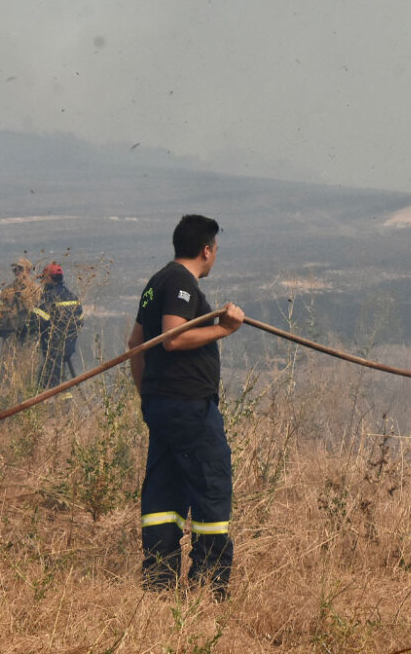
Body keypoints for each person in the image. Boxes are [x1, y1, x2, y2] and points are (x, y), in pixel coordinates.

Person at [127, 214, 244, 600]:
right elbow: (172, 337)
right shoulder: (180, 281)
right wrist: (224, 329)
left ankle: (159, 582)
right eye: (215, 251)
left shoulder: (155, 282)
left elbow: (135, 346)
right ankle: (210, 587)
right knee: (211, 483)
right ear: (206, 250)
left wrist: (149, 398)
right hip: (189, 408)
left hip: (163, 407)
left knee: (165, 492)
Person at [29, 263, 83, 388]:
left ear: (49, 278)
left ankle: (56, 406)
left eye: (43, 278)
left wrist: (20, 331)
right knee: (60, 380)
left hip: (52, 349)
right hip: (68, 347)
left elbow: (35, 323)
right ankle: (63, 403)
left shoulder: (48, 298)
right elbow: (79, 321)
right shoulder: (73, 297)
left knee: (45, 383)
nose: (42, 282)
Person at [0, 257, 42, 341]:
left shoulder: (36, 290)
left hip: (30, 336)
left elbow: (41, 311)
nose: (17, 271)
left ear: (28, 271)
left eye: (20, 269)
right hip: (11, 335)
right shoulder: (7, 290)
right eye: (15, 269)